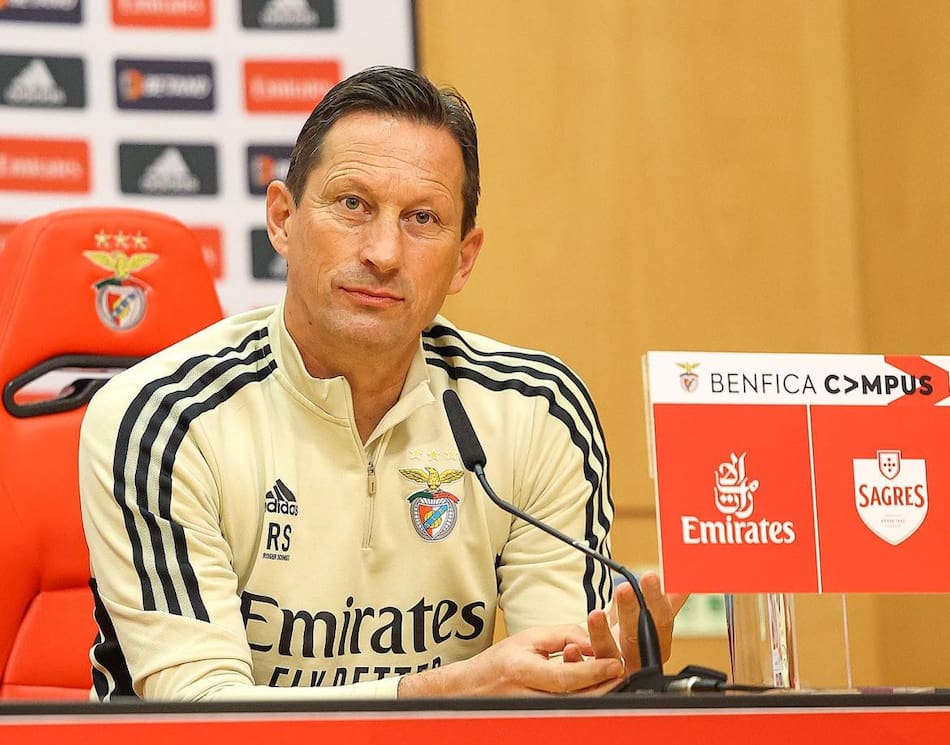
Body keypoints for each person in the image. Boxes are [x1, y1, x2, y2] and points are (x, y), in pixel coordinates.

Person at [79, 66, 685, 702]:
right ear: (283, 220)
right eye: (352, 205)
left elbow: (561, 691)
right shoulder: (163, 419)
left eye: (422, 218)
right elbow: (201, 715)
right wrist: (436, 692)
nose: (385, 252)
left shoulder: (535, 412)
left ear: (464, 258)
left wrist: (609, 673)